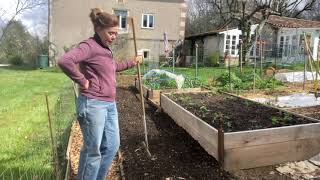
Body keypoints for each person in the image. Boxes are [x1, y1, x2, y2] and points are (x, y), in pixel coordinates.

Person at [58, 8, 142, 180]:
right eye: (111, 33)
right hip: (93, 104)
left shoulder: (105, 49)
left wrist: (131, 62)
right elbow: (65, 60)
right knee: (93, 151)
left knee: (112, 146)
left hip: (109, 104)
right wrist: (82, 81)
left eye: (116, 34)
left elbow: (112, 68)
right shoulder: (89, 46)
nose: (114, 37)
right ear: (98, 29)